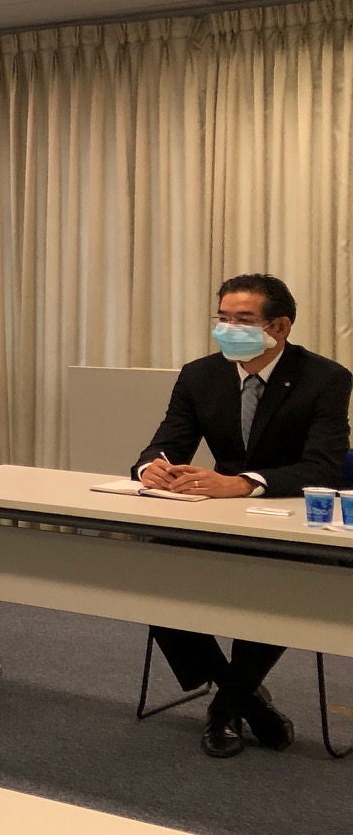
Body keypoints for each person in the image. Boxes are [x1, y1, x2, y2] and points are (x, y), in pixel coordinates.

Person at [133, 274, 352, 758]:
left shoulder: (325, 378)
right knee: (150, 571)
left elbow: (323, 466)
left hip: (289, 520)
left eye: (243, 319)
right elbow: (167, 441)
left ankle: (226, 706)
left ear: (280, 326)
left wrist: (244, 482)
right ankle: (245, 699)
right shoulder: (200, 374)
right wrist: (153, 468)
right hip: (218, 516)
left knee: (278, 584)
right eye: (223, 318)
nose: (229, 329)